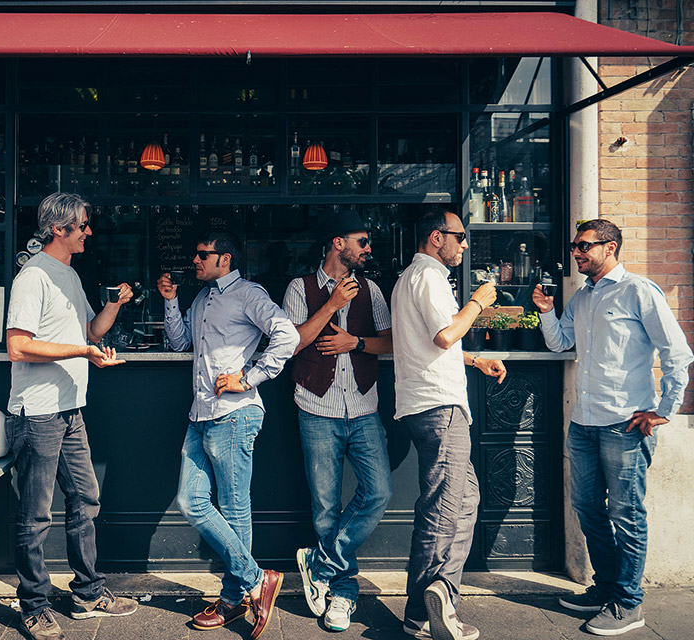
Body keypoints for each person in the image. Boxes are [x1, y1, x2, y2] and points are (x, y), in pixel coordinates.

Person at [533, 219, 692, 636]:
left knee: (627, 515)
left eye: (584, 245)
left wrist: (665, 409)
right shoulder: (582, 297)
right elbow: (560, 343)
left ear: (611, 247)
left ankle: (629, 603)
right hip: (584, 423)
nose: (576, 252)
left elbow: (677, 353)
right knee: (588, 510)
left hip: (626, 425)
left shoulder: (639, 290)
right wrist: (547, 312)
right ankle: (605, 587)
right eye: (575, 246)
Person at [6, 193, 138, 640]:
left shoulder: (69, 274)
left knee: (85, 498)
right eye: (82, 226)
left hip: (68, 409)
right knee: (36, 516)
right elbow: (18, 346)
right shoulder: (33, 276)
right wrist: (82, 352)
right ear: (59, 229)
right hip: (38, 413)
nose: (88, 232)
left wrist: (115, 305)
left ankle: (87, 593)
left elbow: (90, 331)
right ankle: (34, 606)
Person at [157, 230, 298, 640]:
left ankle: (235, 598)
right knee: (191, 501)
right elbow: (180, 342)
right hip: (200, 414)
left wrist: (249, 377)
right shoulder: (202, 299)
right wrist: (171, 300)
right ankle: (256, 580)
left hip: (235, 415)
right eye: (196, 254)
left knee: (235, 510)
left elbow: (287, 335)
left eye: (203, 255)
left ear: (225, 259)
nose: (195, 260)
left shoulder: (248, 294)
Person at [391, 208, 506, 640]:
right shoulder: (430, 277)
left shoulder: (411, 278)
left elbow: (427, 343)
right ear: (437, 237)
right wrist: (478, 301)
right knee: (442, 508)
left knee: (465, 499)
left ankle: (439, 590)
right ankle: (423, 613)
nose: (465, 244)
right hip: (440, 407)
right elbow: (444, 335)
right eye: (460, 236)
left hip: (426, 404)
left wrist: (474, 360)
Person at [282, 211, 393, 632]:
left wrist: (356, 342)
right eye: (362, 241)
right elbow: (292, 343)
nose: (368, 249)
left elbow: (390, 342)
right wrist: (331, 305)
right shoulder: (300, 288)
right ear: (337, 243)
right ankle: (342, 593)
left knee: (379, 492)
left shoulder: (372, 289)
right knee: (325, 509)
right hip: (317, 408)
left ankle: (321, 563)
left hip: (363, 408)